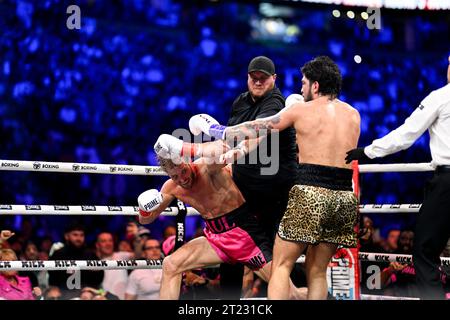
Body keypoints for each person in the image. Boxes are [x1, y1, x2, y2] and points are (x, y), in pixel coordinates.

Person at [188, 55, 361, 299]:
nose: (300, 89)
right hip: (343, 196)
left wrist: (218, 131)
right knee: (318, 271)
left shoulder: (300, 109)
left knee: (280, 265)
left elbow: (259, 128)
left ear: (315, 85)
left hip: (311, 191)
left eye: (303, 83)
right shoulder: (354, 114)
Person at [345, 56, 450, 300]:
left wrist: (369, 152)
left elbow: (406, 134)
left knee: (424, 251)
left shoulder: (441, 96)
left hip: (447, 181)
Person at [138, 148, 305, 299]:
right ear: (168, 175)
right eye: (175, 176)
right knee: (170, 264)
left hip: (245, 235)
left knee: (291, 294)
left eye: (183, 170)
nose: (183, 178)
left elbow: (225, 151)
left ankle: (324, 295)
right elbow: (146, 219)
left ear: (187, 160)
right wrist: (144, 209)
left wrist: (189, 145)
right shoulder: (171, 187)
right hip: (215, 238)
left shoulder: (206, 167)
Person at [95, 232, 134, 299]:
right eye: (104, 241)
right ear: (97, 245)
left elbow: (138, 255)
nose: (108, 244)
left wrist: (137, 240)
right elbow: (97, 289)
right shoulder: (95, 264)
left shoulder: (121, 256)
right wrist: (101, 293)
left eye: (110, 240)